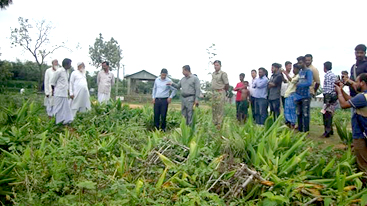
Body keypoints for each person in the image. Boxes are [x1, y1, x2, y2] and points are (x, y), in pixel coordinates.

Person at [335, 73, 367, 172]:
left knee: (363, 164)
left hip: (361, 134)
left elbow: (344, 105)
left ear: (362, 83)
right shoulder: (363, 97)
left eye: (357, 81)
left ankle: (364, 184)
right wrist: (341, 90)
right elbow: (352, 101)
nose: (355, 84)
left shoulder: (362, 97)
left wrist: (339, 93)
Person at [50, 58, 73, 125]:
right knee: (58, 108)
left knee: (65, 108)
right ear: (66, 64)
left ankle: (65, 121)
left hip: (64, 93)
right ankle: (57, 122)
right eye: (70, 64)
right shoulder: (59, 71)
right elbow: (52, 82)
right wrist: (53, 91)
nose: (70, 66)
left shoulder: (67, 72)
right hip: (58, 93)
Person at [294, 56, 313, 133]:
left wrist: (299, 85)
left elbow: (309, 82)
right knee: (299, 113)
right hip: (298, 96)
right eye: (298, 62)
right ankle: (300, 130)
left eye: (300, 62)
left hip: (305, 96)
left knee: (305, 114)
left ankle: (306, 131)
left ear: (304, 62)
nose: (299, 64)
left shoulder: (308, 71)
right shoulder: (300, 72)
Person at [321, 61, 337, 138]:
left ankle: (327, 131)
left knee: (326, 114)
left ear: (325, 67)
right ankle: (330, 130)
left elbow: (328, 88)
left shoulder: (327, 75)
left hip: (328, 96)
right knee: (330, 113)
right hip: (333, 96)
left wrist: (327, 100)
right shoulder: (334, 75)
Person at [211, 60, 229, 130]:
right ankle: (214, 123)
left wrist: (224, 92)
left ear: (220, 66)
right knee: (214, 108)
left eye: (217, 65)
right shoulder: (213, 74)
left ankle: (219, 124)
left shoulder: (223, 74)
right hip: (214, 92)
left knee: (219, 108)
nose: (216, 67)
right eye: (215, 65)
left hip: (220, 92)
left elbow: (227, 84)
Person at [283, 64, 300, 128]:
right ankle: (288, 122)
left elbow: (292, 81)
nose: (293, 70)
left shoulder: (298, 76)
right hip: (288, 94)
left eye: (294, 69)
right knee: (287, 109)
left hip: (292, 94)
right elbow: (288, 81)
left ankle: (292, 122)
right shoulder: (294, 76)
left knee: (291, 109)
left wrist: (285, 73)